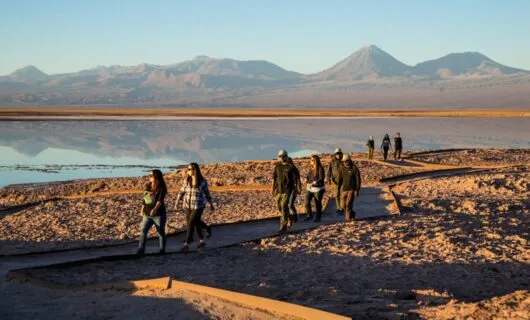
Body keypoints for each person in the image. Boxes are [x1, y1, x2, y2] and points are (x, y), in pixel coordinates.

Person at [175, 163, 215, 251]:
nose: (187, 171)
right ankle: (203, 239)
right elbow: (182, 191)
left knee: (190, 223)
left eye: (189, 169)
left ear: (194, 170)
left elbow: (207, 193)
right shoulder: (187, 180)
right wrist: (177, 202)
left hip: (198, 205)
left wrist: (211, 204)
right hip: (187, 204)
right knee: (196, 222)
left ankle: (187, 243)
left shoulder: (202, 181)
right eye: (187, 169)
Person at [137, 169, 167, 256]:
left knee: (161, 232)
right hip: (147, 214)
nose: (149, 177)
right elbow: (145, 199)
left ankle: (162, 250)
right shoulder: (148, 185)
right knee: (143, 230)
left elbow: (160, 200)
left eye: (151, 176)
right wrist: (142, 209)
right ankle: (141, 249)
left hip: (159, 214)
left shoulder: (162, 187)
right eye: (149, 175)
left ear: (156, 177)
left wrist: (155, 209)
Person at [272, 149, 296, 233]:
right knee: (279, 206)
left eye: (283, 156)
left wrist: (296, 189)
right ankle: (289, 217)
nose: (282, 158)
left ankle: (283, 226)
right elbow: (274, 178)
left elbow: (295, 179)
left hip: (287, 190)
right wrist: (272, 189)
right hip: (279, 190)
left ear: (286, 156)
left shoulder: (290, 167)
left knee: (284, 206)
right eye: (280, 156)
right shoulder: (277, 166)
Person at [338, 154, 362, 221]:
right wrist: (338, 187)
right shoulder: (342, 168)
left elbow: (358, 180)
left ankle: (347, 219)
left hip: (352, 189)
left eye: (346, 161)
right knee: (343, 205)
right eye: (344, 161)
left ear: (349, 160)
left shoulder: (354, 168)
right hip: (344, 189)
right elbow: (340, 178)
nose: (345, 163)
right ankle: (353, 214)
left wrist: (357, 190)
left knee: (348, 204)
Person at [305, 155, 326, 222]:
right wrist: (306, 179)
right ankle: (309, 215)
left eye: (312, 160)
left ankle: (318, 217)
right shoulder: (311, 168)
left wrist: (314, 182)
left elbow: (321, 178)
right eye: (311, 160)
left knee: (317, 202)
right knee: (306, 201)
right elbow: (308, 176)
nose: (311, 161)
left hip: (318, 188)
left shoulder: (320, 168)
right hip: (310, 188)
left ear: (316, 161)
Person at [327, 148, 344, 215]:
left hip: (343, 181)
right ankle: (338, 208)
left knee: (342, 195)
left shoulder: (344, 161)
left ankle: (342, 208)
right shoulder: (332, 162)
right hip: (335, 181)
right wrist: (328, 179)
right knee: (336, 195)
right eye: (337, 154)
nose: (338, 155)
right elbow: (329, 170)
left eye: (339, 154)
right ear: (335, 154)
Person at [287, 157, 302, 224]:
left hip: (293, 189)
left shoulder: (294, 169)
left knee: (290, 204)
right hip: (286, 189)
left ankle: (295, 216)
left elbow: (298, 180)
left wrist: (299, 188)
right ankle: (291, 217)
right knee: (287, 204)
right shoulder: (284, 169)